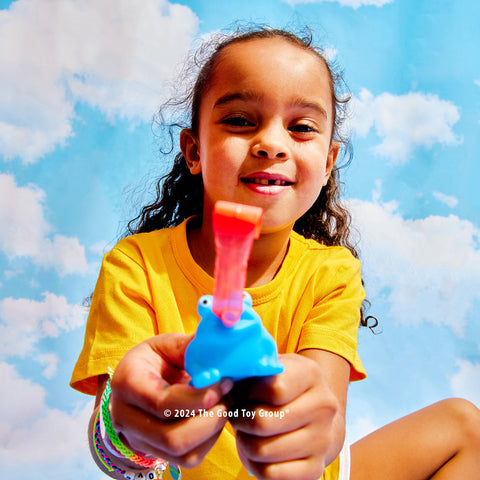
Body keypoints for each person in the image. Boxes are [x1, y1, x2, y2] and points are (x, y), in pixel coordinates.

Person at [70, 27, 480, 480]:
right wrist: (128, 431)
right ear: (193, 151)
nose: (271, 144)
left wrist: (302, 429)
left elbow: (329, 432)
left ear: (327, 164)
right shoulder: (136, 265)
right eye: (240, 121)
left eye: (301, 127)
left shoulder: (332, 272)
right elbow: (112, 456)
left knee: (465, 427)